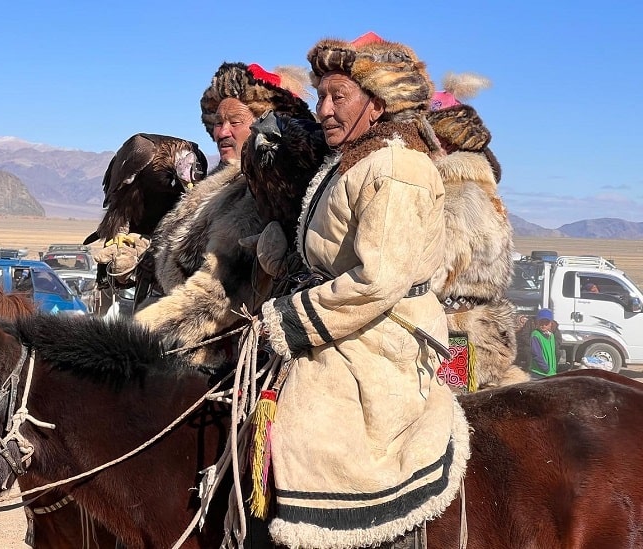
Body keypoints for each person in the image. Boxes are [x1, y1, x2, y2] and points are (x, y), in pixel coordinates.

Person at [258, 33, 469, 548]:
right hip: (350, 322)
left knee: (311, 434)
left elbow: (380, 279)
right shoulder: (357, 159)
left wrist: (289, 318)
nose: (324, 109)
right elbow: (332, 250)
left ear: (376, 104)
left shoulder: (397, 168)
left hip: (380, 340)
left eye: (339, 96)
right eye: (320, 96)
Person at [134, 62, 315, 365]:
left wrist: (139, 331)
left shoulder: (262, 191)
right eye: (218, 122)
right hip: (183, 347)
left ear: (264, 123)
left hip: (219, 359)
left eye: (235, 122)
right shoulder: (219, 182)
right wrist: (137, 262)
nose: (222, 132)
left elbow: (223, 293)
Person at [426, 72, 529, 389]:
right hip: (472, 324)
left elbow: (438, 272)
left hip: (454, 331)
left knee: (440, 421)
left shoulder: (457, 191)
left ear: (443, 143)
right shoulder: (479, 186)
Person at [530, 308, 558, 378]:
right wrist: (546, 369)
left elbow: (553, 353)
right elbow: (537, 355)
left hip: (551, 372)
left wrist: (553, 369)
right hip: (539, 373)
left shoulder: (551, 335)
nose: (544, 325)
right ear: (537, 322)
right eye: (541, 322)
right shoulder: (536, 335)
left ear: (551, 323)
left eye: (546, 322)